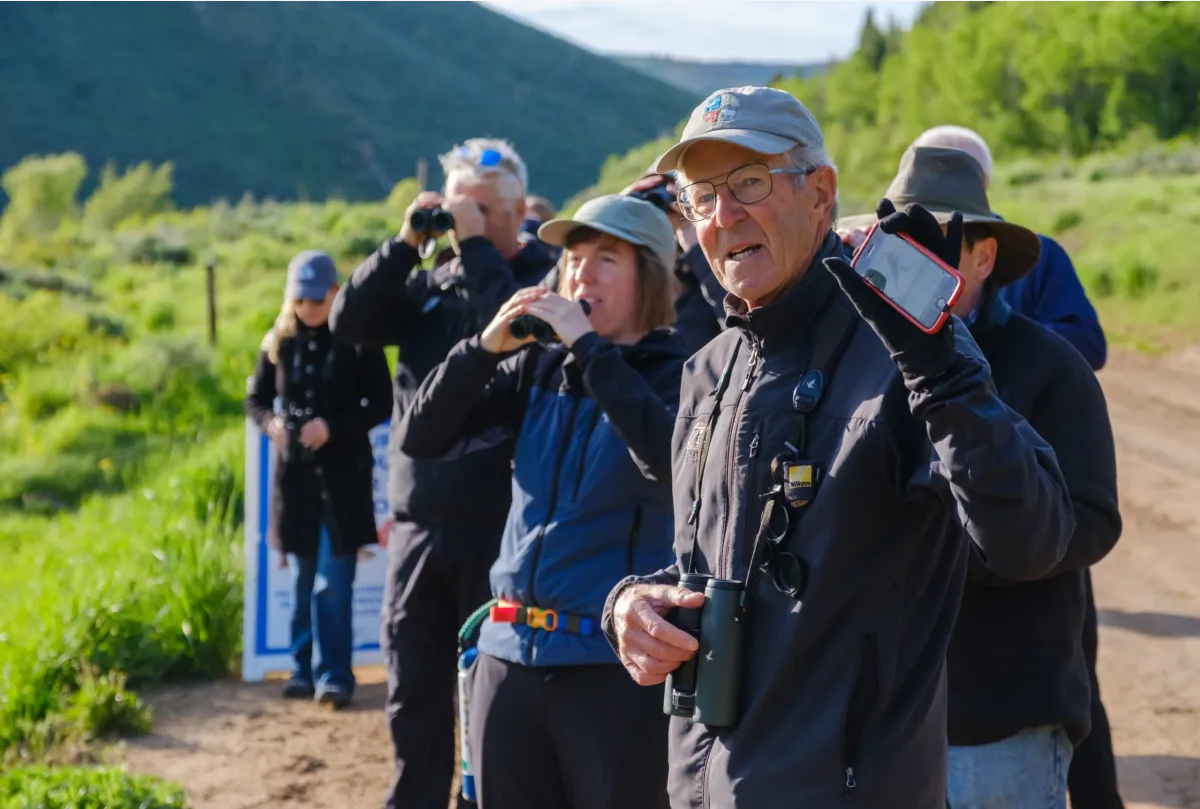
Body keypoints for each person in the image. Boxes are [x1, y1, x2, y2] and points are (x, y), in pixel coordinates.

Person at [601, 85, 1076, 808]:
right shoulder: (706, 372)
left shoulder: (905, 352)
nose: (724, 216)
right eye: (702, 196)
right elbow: (717, 565)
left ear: (820, 193)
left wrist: (944, 372)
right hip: (705, 788)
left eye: (749, 182)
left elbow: (1032, 540)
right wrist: (630, 606)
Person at [842, 146, 1123, 807]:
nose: (916, 259)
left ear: (985, 258)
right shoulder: (858, 360)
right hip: (881, 717)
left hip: (1002, 715)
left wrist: (951, 551)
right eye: (903, 240)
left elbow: (1092, 519)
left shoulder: (1049, 362)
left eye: (938, 240)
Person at [396, 194, 686, 809]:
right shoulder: (538, 367)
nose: (582, 274)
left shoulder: (681, 372)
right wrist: (483, 349)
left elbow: (672, 464)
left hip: (613, 667)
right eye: (574, 259)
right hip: (506, 657)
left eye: (606, 259)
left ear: (651, 276)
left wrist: (589, 348)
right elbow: (421, 436)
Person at [327, 138, 557, 809]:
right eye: (456, 211)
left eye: (479, 211)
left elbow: (514, 329)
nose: (461, 225)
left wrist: (478, 246)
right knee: (414, 690)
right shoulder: (431, 283)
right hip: (420, 522)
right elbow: (350, 323)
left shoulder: (542, 277)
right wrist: (405, 245)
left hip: (500, 525)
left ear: (517, 211)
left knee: (495, 695)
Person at [244, 250, 392, 708]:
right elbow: (255, 400)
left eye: (316, 299)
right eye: (300, 300)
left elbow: (382, 402)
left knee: (333, 583)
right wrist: (272, 424)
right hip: (296, 484)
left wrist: (332, 427)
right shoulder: (278, 342)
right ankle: (301, 670)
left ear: (335, 292)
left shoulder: (359, 339)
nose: (308, 308)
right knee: (301, 582)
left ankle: (335, 676)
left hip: (344, 480)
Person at [623, 170, 727, 354]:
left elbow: (742, 322)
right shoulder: (626, 307)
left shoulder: (706, 295)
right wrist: (615, 212)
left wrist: (693, 242)